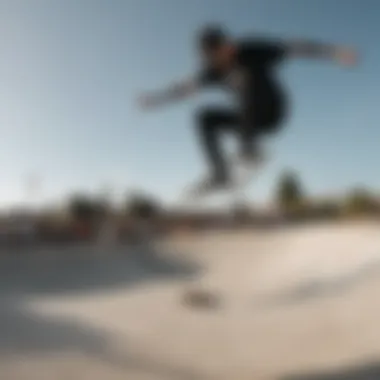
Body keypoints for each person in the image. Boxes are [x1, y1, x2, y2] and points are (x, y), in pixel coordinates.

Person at [138, 25, 357, 195]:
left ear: (228, 43)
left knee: (247, 77)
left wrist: (333, 52)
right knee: (204, 117)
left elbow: (294, 47)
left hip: (273, 111)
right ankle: (220, 173)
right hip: (248, 121)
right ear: (210, 57)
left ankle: (249, 148)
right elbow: (183, 89)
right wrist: (156, 100)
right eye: (218, 55)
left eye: (227, 48)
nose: (228, 54)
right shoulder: (212, 72)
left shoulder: (252, 50)